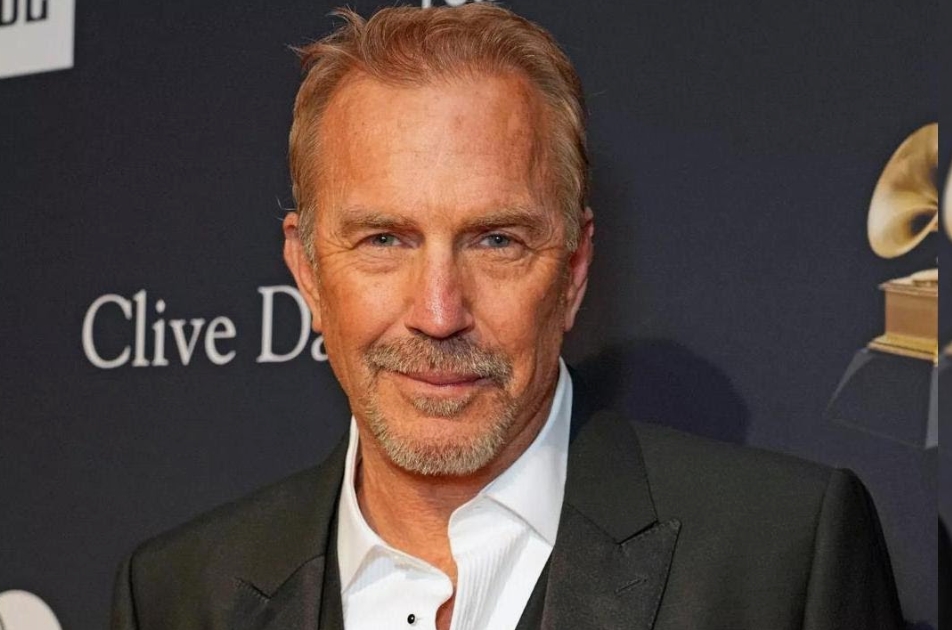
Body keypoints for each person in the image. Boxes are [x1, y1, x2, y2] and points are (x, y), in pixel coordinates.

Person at [110, 4, 903, 629]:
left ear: (574, 270)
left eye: (496, 241)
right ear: (308, 273)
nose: (438, 313)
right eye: (384, 240)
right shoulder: (178, 595)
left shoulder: (781, 560)